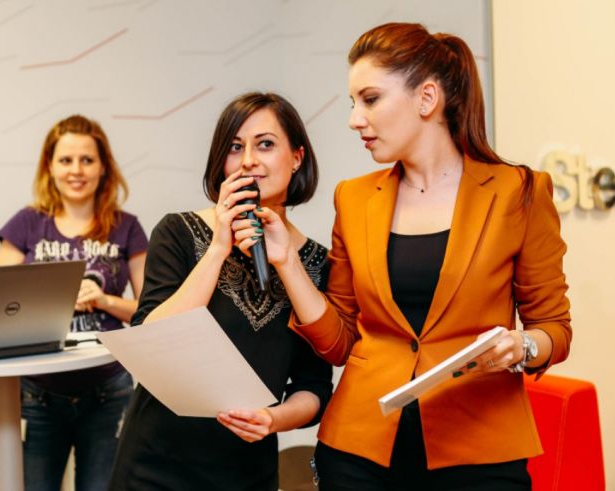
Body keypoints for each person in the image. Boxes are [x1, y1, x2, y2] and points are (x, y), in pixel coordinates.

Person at [235, 23, 572, 489]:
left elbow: (554, 328)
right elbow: (339, 342)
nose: (355, 119)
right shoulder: (353, 198)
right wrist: (286, 262)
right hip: (360, 451)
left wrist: (524, 346)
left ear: (427, 98)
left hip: (480, 448)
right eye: (353, 103)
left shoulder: (520, 192)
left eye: (370, 99)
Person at [108, 92, 333, 491]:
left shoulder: (316, 264)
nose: (248, 160)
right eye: (235, 147)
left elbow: (313, 387)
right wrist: (217, 249)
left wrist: (273, 420)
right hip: (155, 462)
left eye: (265, 144)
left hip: (247, 468)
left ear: (297, 157)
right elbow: (150, 337)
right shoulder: (178, 232)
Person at [0, 114, 147, 491]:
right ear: (50, 165)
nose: (76, 170)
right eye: (66, 160)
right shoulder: (26, 223)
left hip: (109, 389)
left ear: (103, 167)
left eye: (87, 160)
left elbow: (151, 312)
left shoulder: (127, 227)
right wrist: (48, 301)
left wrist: (106, 300)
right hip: (38, 393)